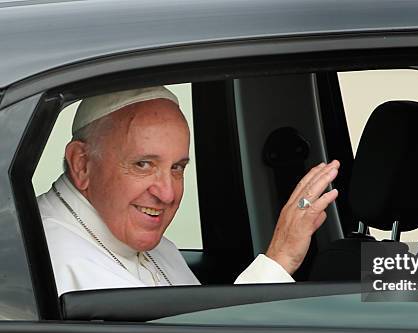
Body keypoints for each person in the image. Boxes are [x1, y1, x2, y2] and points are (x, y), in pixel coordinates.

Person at [38, 86, 340, 295]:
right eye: (143, 164)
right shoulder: (56, 263)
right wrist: (280, 258)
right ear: (82, 164)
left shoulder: (149, 244)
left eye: (177, 167)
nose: (167, 194)